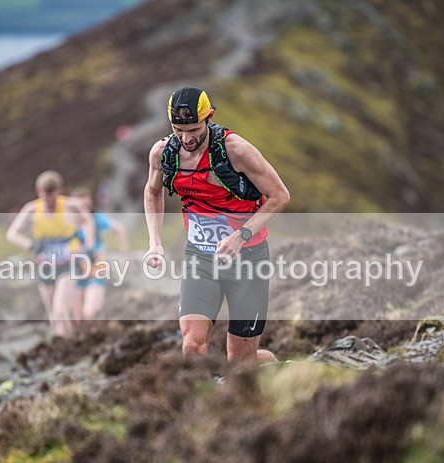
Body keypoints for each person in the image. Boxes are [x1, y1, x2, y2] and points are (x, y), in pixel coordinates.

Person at [143, 86, 290, 364]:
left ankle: (275, 367)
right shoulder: (162, 153)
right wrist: (155, 243)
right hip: (200, 257)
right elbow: (152, 192)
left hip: (248, 259)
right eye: (177, 130)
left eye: (194, 129)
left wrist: (241, 236)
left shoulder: (237, 151)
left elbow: (280, 196)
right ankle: (204, 405)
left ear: (209, 118)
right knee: (192, 347)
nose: (185, 138)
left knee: (240, 363)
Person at [6, 170, 95, 337]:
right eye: (44, 197)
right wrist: (31, 245)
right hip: (45, 266)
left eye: (52, 197)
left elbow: (88, 220)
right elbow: (12, 234)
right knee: (53, 316)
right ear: (38, 192)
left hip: (68, 264)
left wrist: (88, 246)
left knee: (60, 310)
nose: (48, 202)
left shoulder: (70, 205)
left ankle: (67, 348)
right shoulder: (31, 209)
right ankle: (65, 343)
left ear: (59, 191)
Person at [70, 187, 129, 322]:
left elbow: (119, 228)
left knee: (90, 313)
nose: (85, 210)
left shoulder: (95, 219)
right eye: (81, 206)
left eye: (87, 206)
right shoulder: (69, 224)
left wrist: (125, 254)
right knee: (77, 319)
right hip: (75, 271)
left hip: (96, 267)